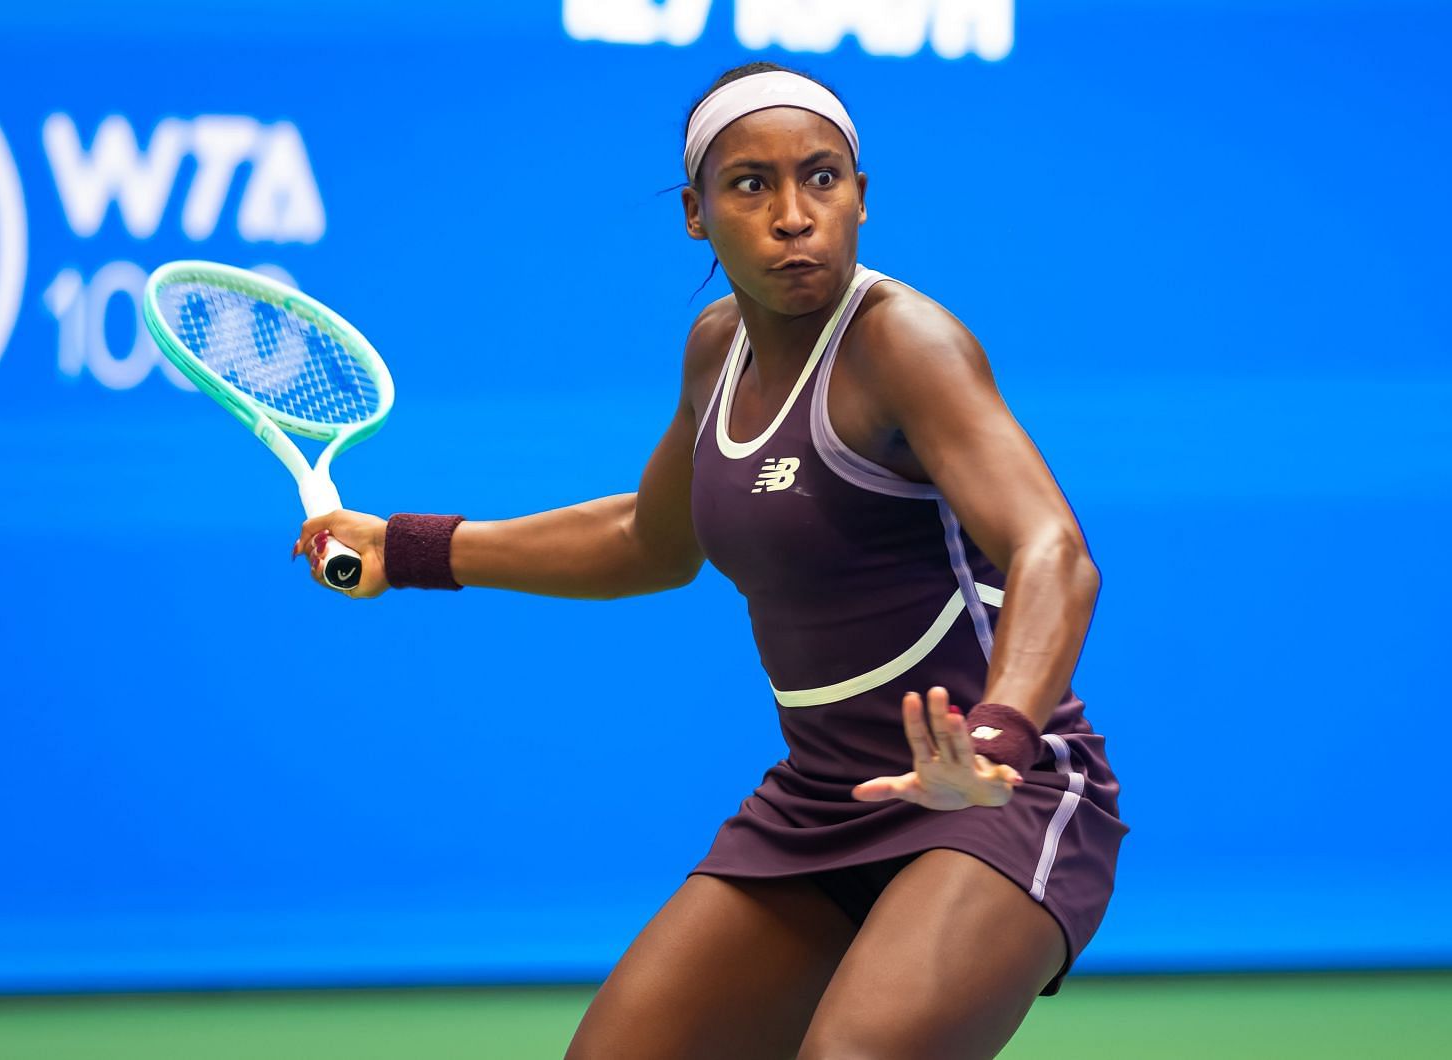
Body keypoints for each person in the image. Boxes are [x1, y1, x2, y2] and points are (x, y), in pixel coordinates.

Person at [295, 62, 1125, 1060]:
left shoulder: (903, 340)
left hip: (1000, 795)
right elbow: (647, 540)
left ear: (862, 194)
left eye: (822, 179)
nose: (792, 215)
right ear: (696, 213)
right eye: (750, 185)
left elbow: (1054, 550)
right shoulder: (714, 348)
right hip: (826, 798)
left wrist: (997, 736)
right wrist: (412, 549)